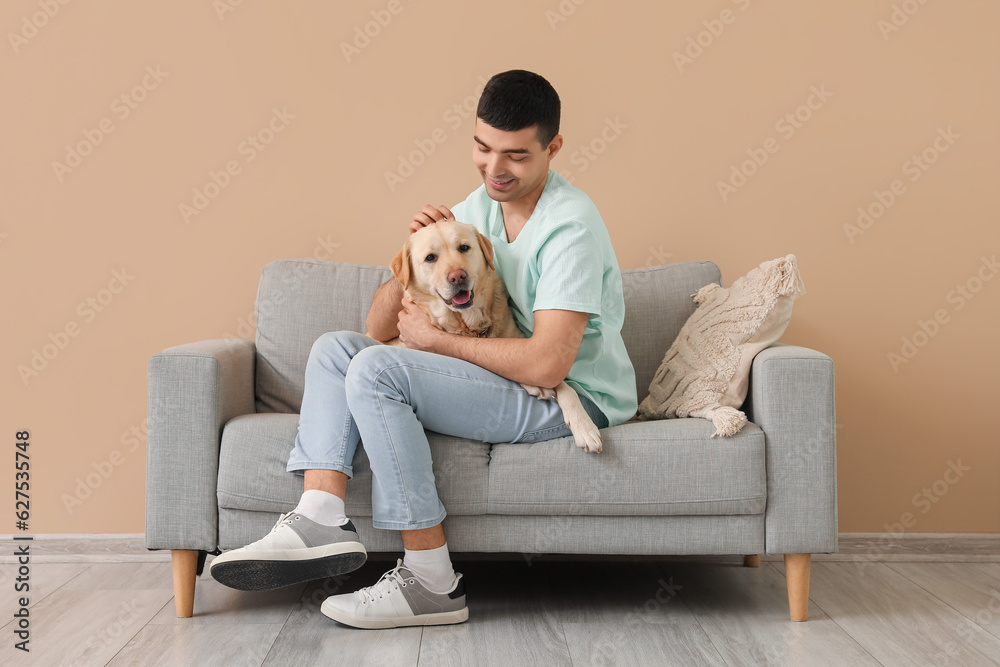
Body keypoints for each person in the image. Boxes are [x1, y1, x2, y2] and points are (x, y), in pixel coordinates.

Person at [209, 69, 638, 629]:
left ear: (552, 148)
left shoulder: (569, 227)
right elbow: (377, 322)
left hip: (568, 396)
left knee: (377, 370)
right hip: (505, 378)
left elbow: (547, 363)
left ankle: (432, 580)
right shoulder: (479, 209)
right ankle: (318, 515)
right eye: (482, 149)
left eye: (515, 156)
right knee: (338, 349)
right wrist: (413, 251)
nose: (495, 169)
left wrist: (434, 341)